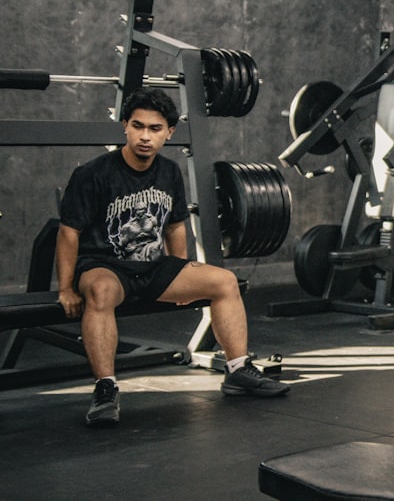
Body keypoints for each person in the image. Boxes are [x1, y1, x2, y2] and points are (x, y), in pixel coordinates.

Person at [56, 88, 289, 427]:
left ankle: (237, 370)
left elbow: (176, 226)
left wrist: (178, 269)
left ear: (170, 132)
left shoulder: (168, 172)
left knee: (224, 281)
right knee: (101, 291)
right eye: (138, 126)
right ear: (125, 126)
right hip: (106, 267)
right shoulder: (93, 174)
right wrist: (66, 288)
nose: (145, 137)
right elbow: (68, 233)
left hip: (153, 267)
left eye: (154, 129)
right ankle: (106, 388)